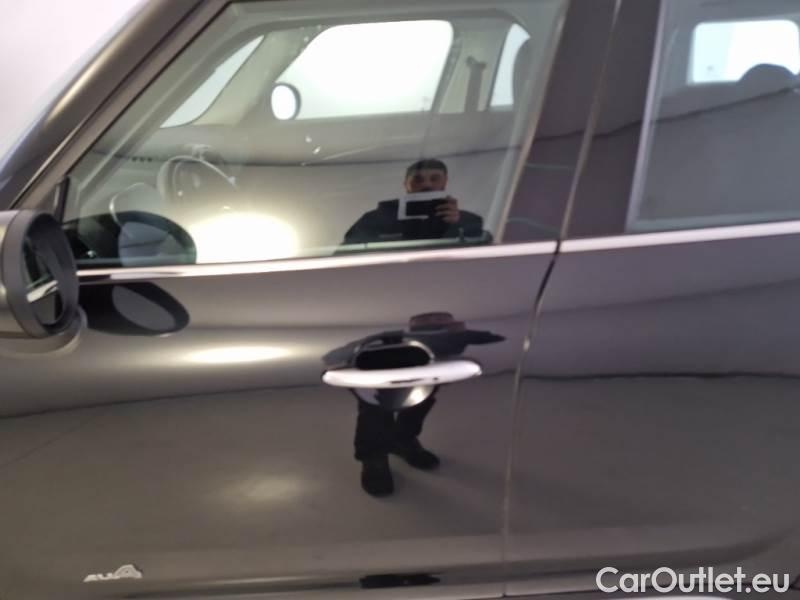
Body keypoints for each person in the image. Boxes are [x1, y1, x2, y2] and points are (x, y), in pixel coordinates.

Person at [342, 158, 484, 245]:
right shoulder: (375, 219)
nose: (427, 185)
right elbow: (348, 250)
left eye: (434, 178)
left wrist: (458, 225)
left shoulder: (469, 221)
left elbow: (482, 254)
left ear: (445, 182)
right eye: (418, 179)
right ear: (406, 184)